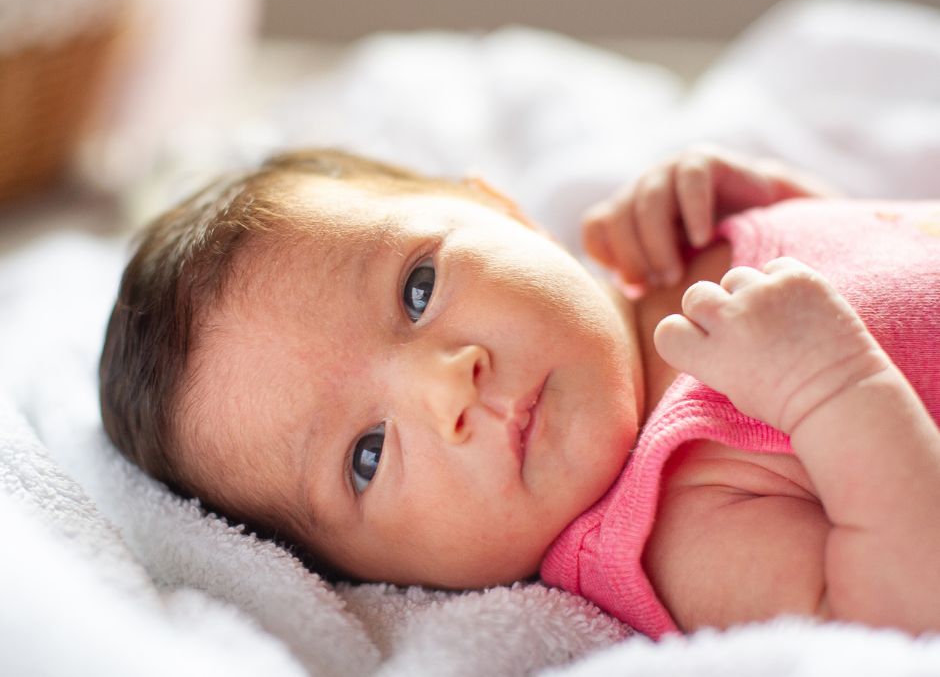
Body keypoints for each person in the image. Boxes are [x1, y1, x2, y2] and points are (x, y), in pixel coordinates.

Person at [99, 145, 940, 638]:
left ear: (502, 209)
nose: (444, 388)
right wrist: (835, 387)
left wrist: (776, 204)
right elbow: (898, 616)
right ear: (378, 575)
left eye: (418, 289)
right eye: (366, 455)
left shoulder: (674, 257)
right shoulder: (679, 523)